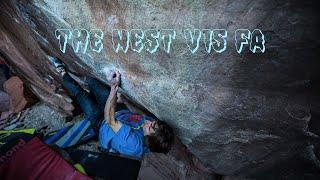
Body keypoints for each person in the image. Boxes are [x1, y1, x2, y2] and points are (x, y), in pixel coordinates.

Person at [45, 57, 174, 159]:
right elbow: (139, 115)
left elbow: (109, 119)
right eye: (154, 123)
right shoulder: (152, 128)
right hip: (118, 112)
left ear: (148, 138)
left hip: (102, 123)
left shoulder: (134, 144)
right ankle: (77, 74)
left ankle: (61, 70)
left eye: (151, 126)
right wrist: (124, 102)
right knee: (92, 82)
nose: (150, 122)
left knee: (81, 95)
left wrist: (114, 87)